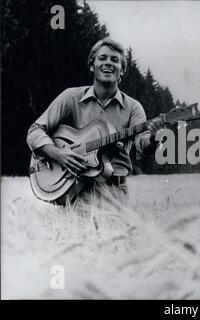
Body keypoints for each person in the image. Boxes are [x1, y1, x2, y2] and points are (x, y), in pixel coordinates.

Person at [26, 37, 164, 205]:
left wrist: (154, 138)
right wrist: (58, 154)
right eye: (102, 58)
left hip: (114, 192)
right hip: (74, 189)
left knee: (115, 232)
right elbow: (35, 131)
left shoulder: (133, 107)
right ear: (92, 66)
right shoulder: (71, 97)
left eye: (115, 60)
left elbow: (143, 146)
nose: (108, 63)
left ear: (121, 71)